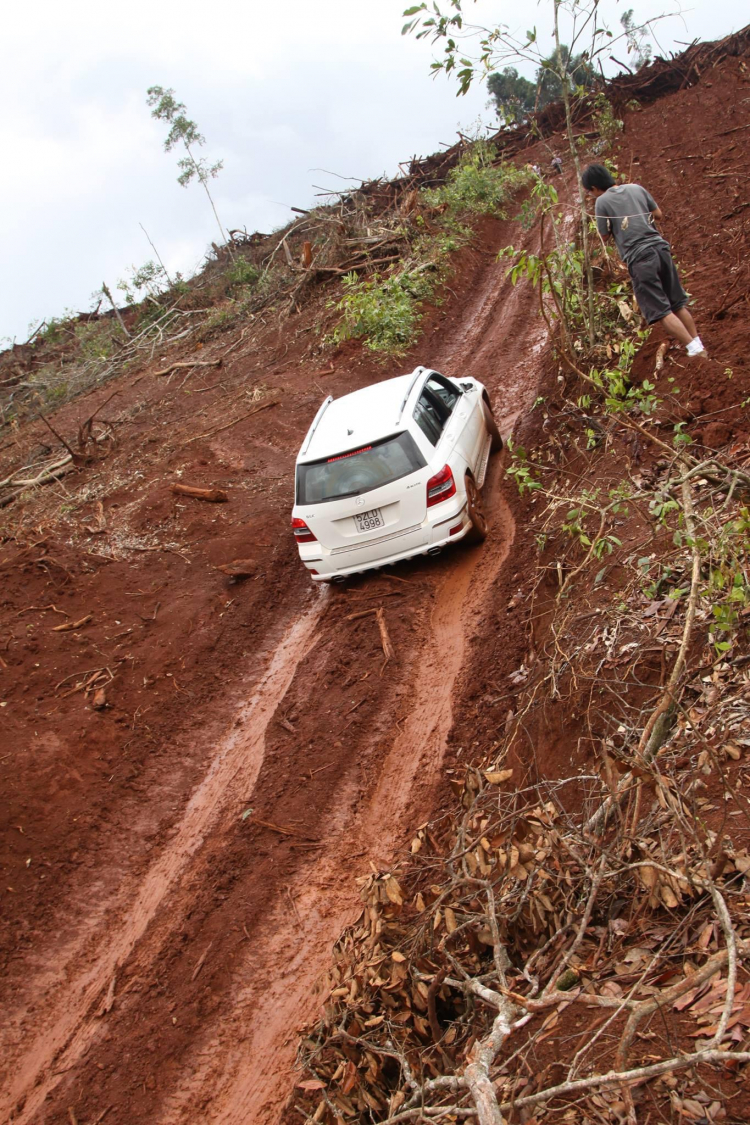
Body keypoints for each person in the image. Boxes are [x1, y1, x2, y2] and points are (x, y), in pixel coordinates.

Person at [581, 163, 706, 357]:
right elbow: (658, 215)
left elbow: (603, 236)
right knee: (677, 305)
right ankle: (698, 342)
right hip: (660, 248)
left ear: (595, 188)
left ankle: (694, 349)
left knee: (662, 311)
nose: (591, 196)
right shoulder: (636, 188)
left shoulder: (601, 201)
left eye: (590, 192)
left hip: (640, 258)